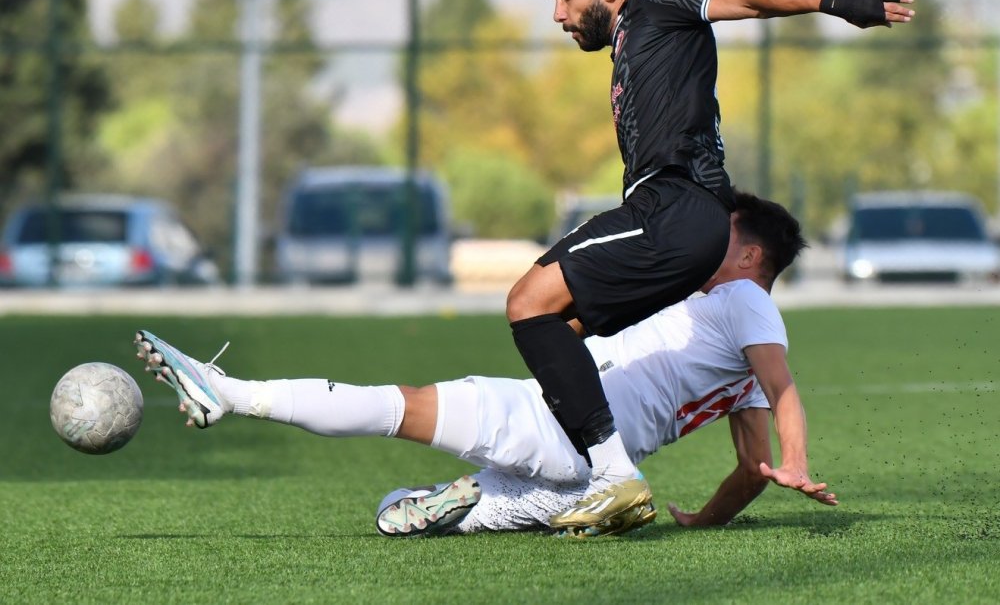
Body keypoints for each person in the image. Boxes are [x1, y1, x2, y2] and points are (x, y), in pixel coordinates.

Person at [505, 0, 915, 533]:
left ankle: (613, 474)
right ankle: (535, 480)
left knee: (525, 301)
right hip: (681, 224)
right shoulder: (629, 43)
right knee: (555, 334)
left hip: (676, 209)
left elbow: (749, 0)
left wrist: (839, 0)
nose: (558, 14)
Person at [134, 191, 835, 538]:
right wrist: (703, 521)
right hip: (584, 460)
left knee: (393, 405)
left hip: (557, 422)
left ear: (750, 258)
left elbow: (785, 390)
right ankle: (491, 499)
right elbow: (751, 466)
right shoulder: (731, 342)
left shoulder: (744, 298)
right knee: (394, 512)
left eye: (723, 236)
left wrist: (797, 457)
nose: (706, 241)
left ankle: (229, 394)